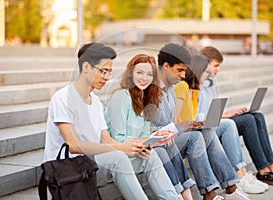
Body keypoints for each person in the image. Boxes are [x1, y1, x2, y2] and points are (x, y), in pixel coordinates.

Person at [43, 42, 179, 200]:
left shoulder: (95, 102)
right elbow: (73, 145)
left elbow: (106, 139)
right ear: (86, 67)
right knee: (118, 157)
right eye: (103, 71)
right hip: (67, 169)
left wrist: (131, 147)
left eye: (109, 72)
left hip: (91, 164)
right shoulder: (63, 98)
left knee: (149, 156)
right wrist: (121, 147)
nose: (107, 77)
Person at [151, 43, 250, 200]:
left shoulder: (171, 89)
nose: (183, 75)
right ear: (166, 66)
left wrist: (189, 124)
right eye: (180, 70)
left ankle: (230, 188)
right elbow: (158, 126)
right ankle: (211, 193)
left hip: (171, 137)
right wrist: (182, 127)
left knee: (207, 132)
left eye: (185, 70)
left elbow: (174, 123)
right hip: (159, 143)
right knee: (196, 137)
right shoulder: (156, 89)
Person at [104, 54, 195, 200]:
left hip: (133, 152)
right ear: (131, 73)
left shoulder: (144, 99)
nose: (144, 78)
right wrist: (145, 141)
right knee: (155, 154)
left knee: (154, 153)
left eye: (149, 74)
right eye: (139, 72)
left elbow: (143, 134)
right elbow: (117, 138)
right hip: (114, 154)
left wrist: (156, 136)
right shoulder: (121, 97)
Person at [200, 46, 273, 187]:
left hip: (218, 120)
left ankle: (272, 168)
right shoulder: (196, 83)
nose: (218, 69)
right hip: (209, 125)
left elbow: (213, 108)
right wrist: (226, 115)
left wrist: (231, 112)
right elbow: (200, 115)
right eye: (216, 66)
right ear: (204, 64)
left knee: (257, 116)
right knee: (248, 120)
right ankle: (263, 171)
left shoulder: (211, 82)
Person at [174, 54, 268, 194]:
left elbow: (194, 116)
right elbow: (175, 121)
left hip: (191, 130)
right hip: (181, 134)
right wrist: (192, 124)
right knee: (213, 131)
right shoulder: (182, 87)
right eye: (206, 72)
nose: (208, 75)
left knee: (214, 129)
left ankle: (232, 184)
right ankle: (228, 185)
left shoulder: (195, 90)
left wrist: (199, 122)